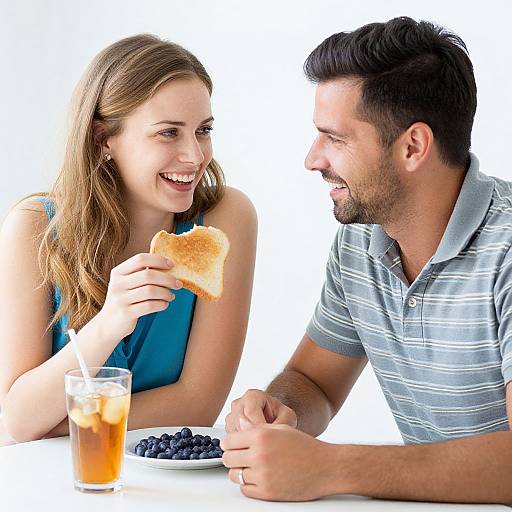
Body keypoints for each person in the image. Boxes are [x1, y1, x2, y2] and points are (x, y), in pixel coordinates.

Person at [222, 17, 512, 504]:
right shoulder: (361, 243)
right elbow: (313, 382)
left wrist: (332, 467)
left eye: (334, 138)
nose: (313, 159)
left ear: (413, 146)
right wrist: (280, 410)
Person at [0, 34, 257, 444]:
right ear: (104, 140)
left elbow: (198, 404)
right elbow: (17, 418)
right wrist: (110, 322)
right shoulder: (33, 229)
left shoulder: (226, 220)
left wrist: (56, 424)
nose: (195, 156)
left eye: (203, 130)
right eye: (168, 133)